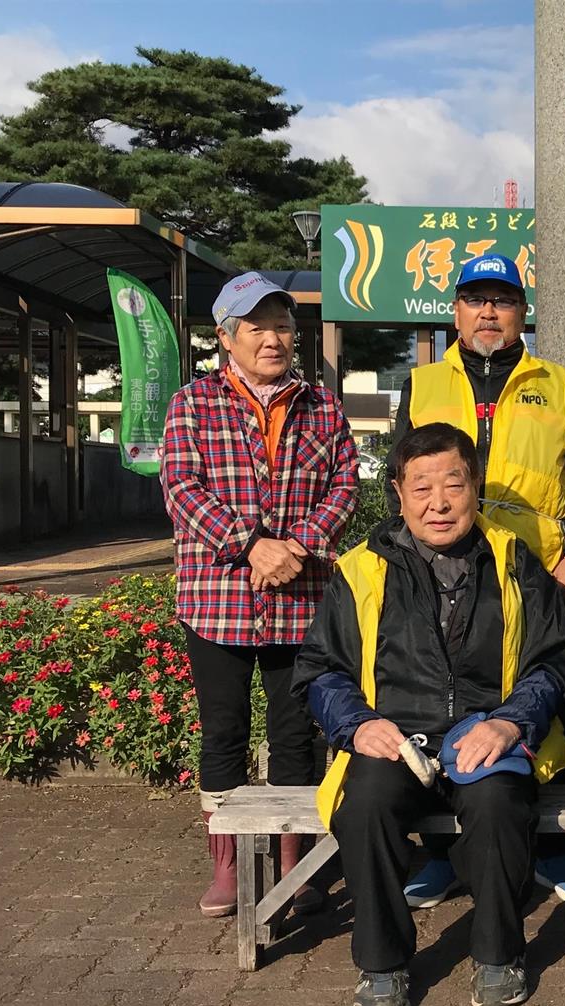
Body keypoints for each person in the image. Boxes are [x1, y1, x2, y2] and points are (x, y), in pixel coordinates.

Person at [293, 423, 565, 1006]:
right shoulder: (359, 570)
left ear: (476, 488)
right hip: (396, 738)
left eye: (454, 484)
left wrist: (510, 723)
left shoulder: (513, 559)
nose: (439, 502)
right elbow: (320, 671)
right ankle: (382, 963)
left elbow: (555, 662)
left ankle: (499, 954)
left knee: (499, 803)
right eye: (421, 487)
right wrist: (357, 725)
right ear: (397, 492)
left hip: (486, 731)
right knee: (364, 806)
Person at [391, 252, 565, 908]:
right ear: (456, 311)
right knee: (444, 702)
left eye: (503, 300)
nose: (489, 312)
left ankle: (546, 845)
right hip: (447, 573)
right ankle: (444, 852)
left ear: (523, 312)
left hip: (540, 576)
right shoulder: (424, 382)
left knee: (543, 708)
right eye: (476, 299)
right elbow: (398, 480)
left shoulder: (558, 382)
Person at [162, 272, 358, 920]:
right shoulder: (192, 403)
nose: (273, 339)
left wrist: (295, 546)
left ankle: (292, 860)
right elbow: (182, 487)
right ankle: (227, 863)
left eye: (281, 326)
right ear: (225, 336)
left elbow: (345, 484)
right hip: (217, 596)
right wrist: (250, 545)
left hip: (300, 594)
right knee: (222, 730)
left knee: (295, 731)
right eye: (257, 327)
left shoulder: (321, 406)